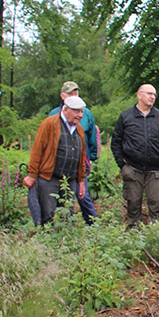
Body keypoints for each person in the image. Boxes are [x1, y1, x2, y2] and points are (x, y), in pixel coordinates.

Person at [111, 84, 159, 227]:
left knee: (155, 203)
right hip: (133, 167)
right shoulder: (126, 116)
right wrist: (122, 165)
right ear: (139, 95)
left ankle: (156, 235)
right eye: (149, 93)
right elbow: (116, 141)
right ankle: (134, 235)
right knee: (133, 202)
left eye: (154, 94)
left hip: (156, 168)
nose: (152, 97)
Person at [23, 96, 88, 226]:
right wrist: (31, 175)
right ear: (66, 109)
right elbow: (37, 150)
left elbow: (81, 157)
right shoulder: (49, 124)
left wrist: (81, 181)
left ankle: (64, 243)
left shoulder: (79, 129)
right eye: (76, 111)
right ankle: (45, 243)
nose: (79, 115)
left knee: (67, 216)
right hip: (49, 178)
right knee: (47, 215)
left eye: (81, 112)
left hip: (69, 180)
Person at [49, 81, 98, 225]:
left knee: (83, 195)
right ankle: (59, 227)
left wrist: (92, 158)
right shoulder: (53, 115)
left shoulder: (86, 114)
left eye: (76, 93)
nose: (74, 95)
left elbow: (92, 139)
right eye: (70, 93)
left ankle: (92, 225)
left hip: (81, 163)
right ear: (62, 96)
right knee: (58, 196)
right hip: (58, 165)